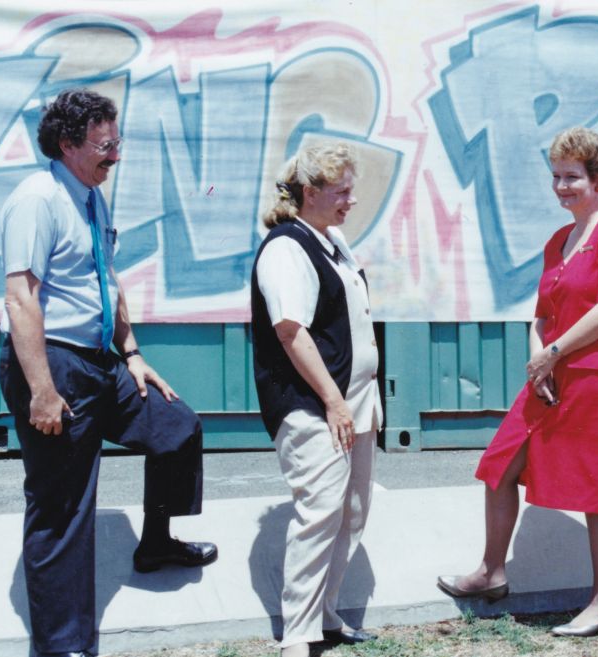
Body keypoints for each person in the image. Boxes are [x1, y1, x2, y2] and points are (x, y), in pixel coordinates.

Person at [0, 88, 216, 657]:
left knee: (176, 427)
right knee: (64, 507)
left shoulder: (90, 195)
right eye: (104, 145)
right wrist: (41, 392)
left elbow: (107, 278)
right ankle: (63, 645)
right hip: (53, 363)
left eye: (117, 143)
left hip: (101, 361)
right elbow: (21, 299)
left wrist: (134, 353)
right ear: (68, 144)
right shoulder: (37, 199)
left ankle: (158, 543)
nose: (115, 156)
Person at [436, 127, 598, 637]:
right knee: (499, 463)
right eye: (555, 176)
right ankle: (491, 572)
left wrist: (551, 354)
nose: (561, 187)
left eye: (572, 177)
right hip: (551, 375)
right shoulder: (559, 240)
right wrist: (541, 359)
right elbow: (540, 315)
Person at [250, 143, 380, 657]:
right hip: (314, 406)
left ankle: (326, 616)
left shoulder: (331, 240)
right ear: (311, 193)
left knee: (351, 510)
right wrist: (333, 400)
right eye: (341, 191)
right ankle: (298, 634)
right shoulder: (286, 247)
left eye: (351, 189)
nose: (350, 200)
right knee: (321, 510)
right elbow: (290, 331)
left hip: (355, 401)